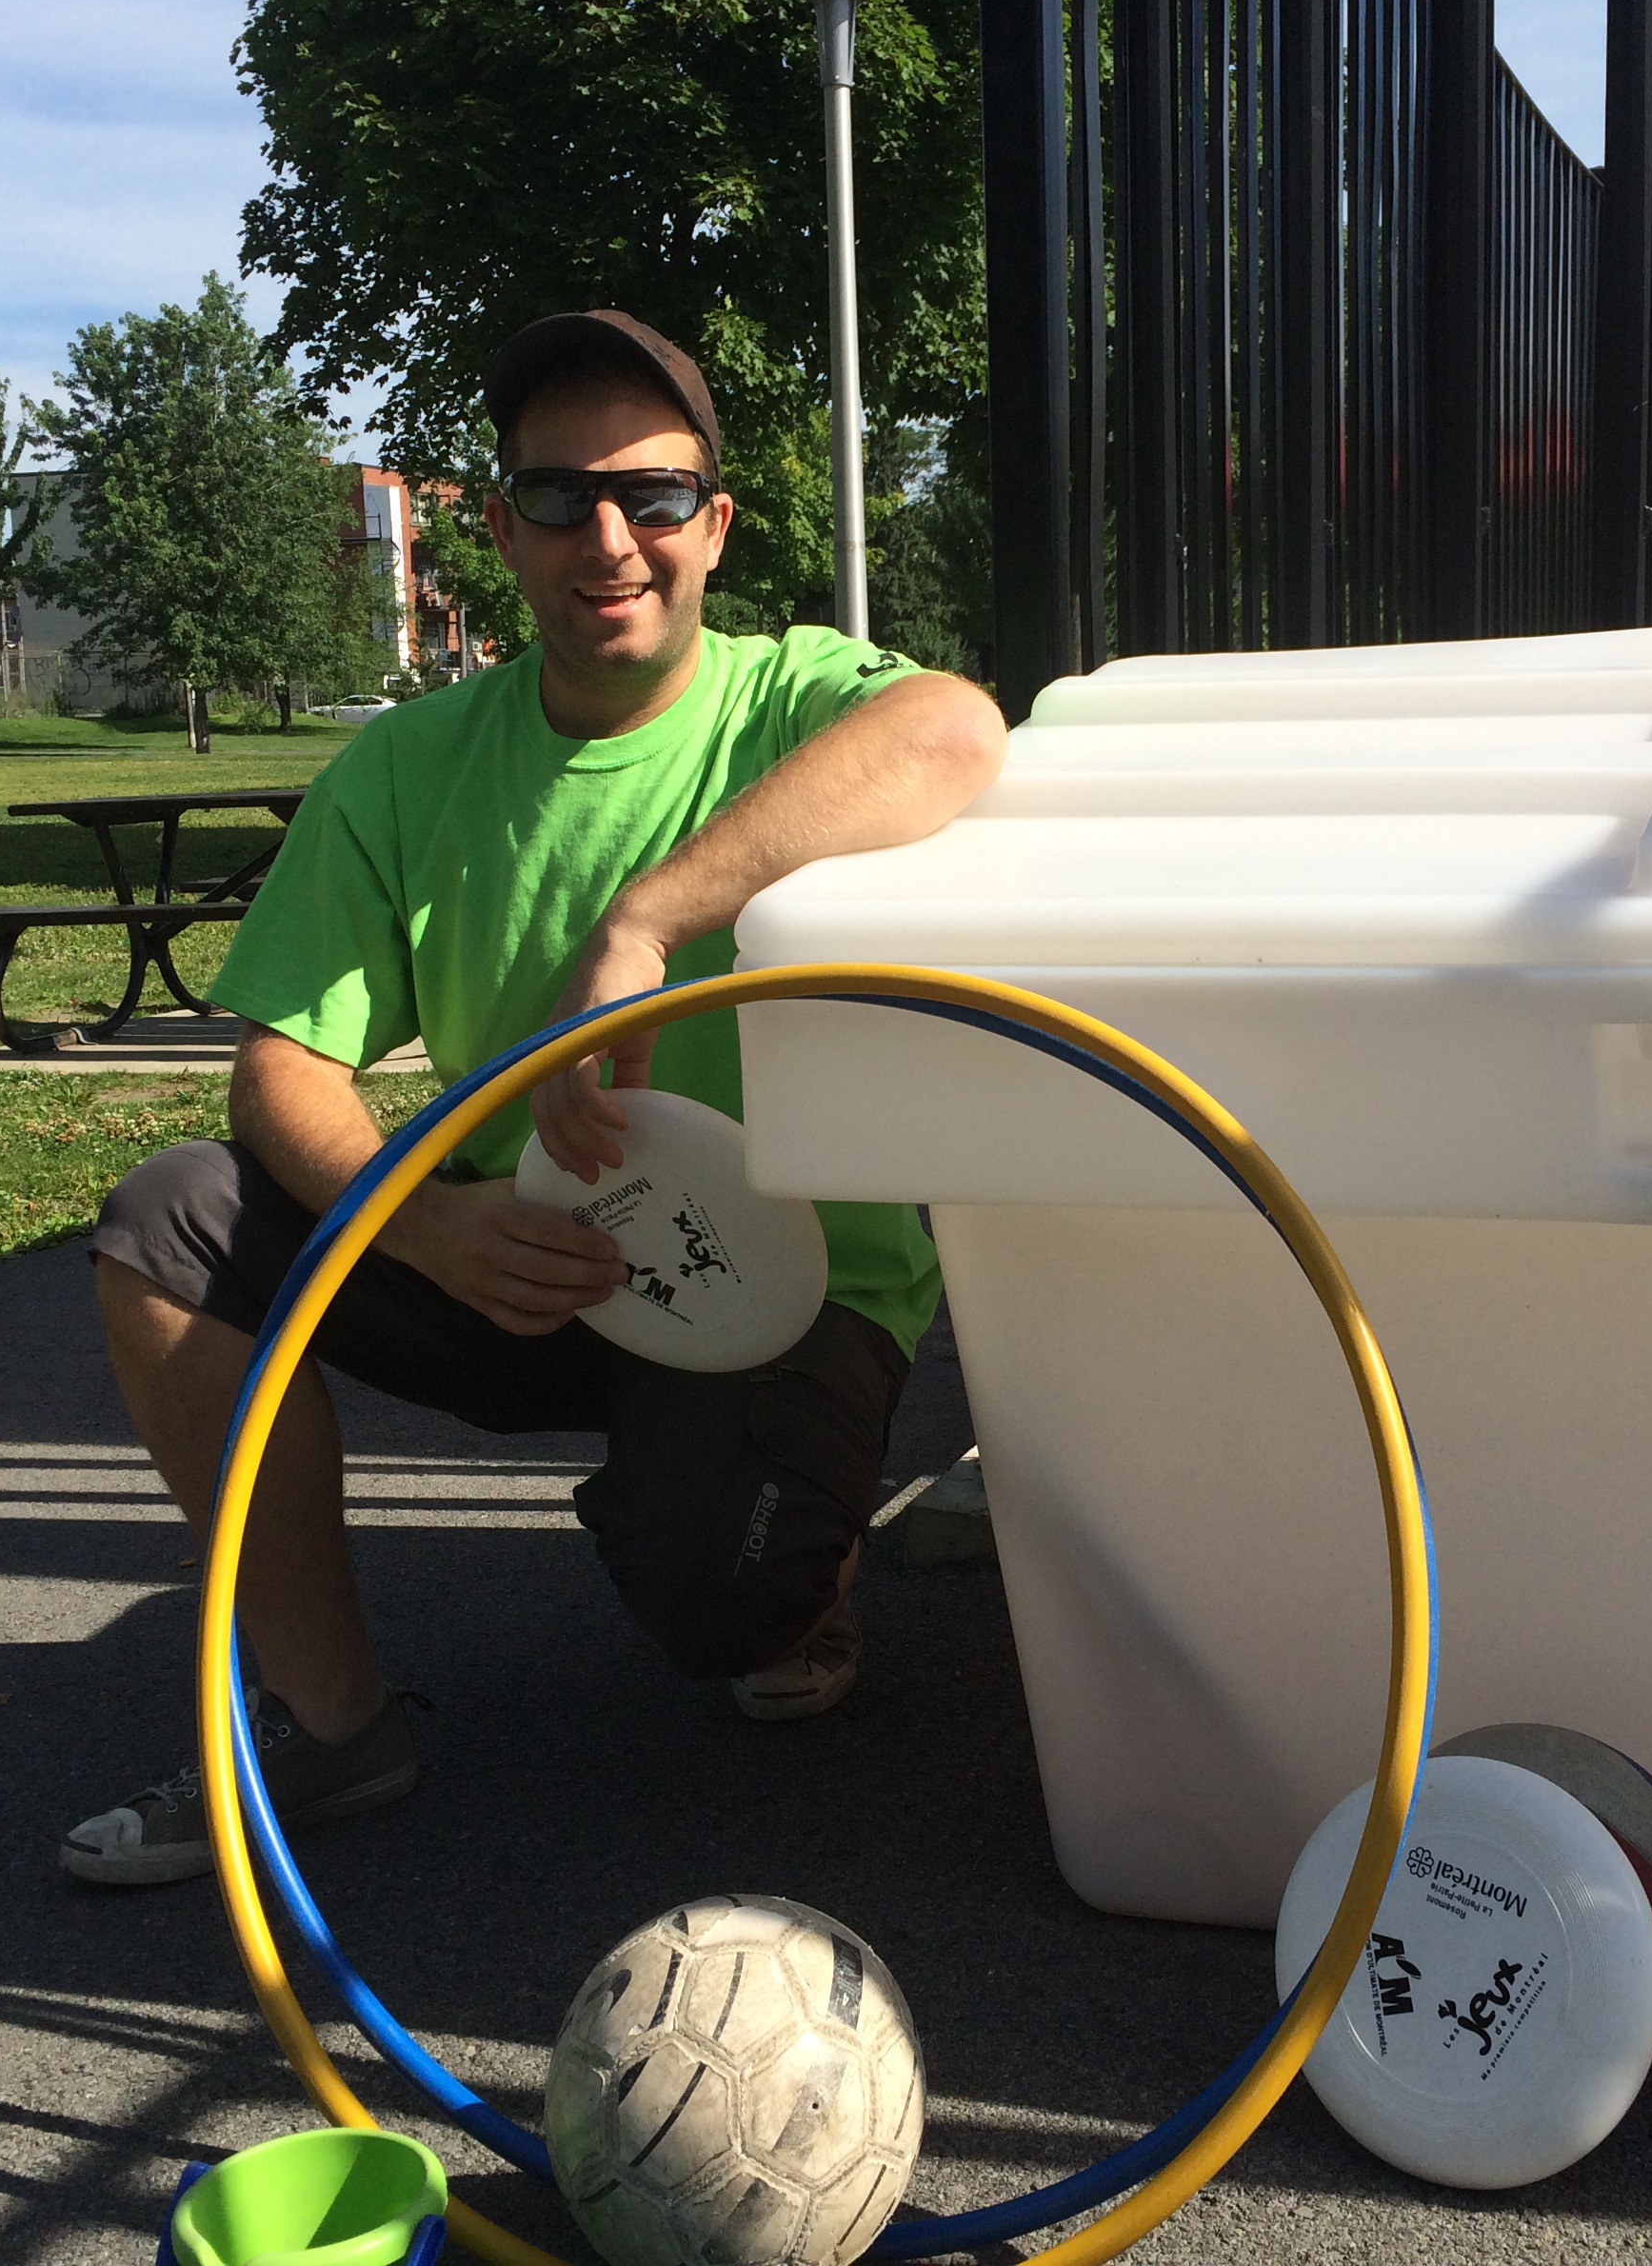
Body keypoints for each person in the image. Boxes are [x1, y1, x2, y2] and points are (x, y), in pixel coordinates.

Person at [62, 309, 1007, 1886]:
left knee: (730, 1622)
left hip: (779, 1290)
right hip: (513, 1254)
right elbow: (280, 1069)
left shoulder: (789, 700)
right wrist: (426, 1225)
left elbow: (954, 728)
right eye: (560, 498)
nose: (610, 536)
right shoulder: (408, 764)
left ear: (715, 523)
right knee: (175, 1226)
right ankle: (335, 1727)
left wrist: (644, 921)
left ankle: (785, 1553)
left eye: (653, 493)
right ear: (498, 531)